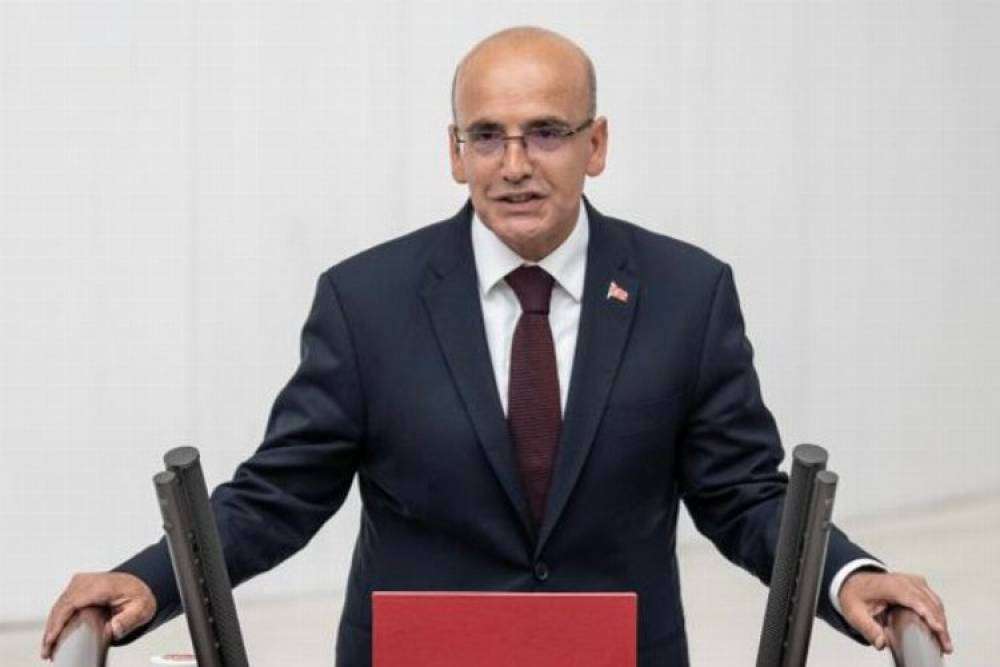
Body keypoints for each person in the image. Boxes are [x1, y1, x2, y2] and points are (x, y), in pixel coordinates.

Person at [41, 26, 952, 666]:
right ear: (455, 151)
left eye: (546, 132)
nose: (515, 165)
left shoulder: (687, 294)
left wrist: (847, 574)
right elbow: (279, 494)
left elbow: (743, 493)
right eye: (487, 136)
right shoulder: (366, 302)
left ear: (596, 144)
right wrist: (147, 579)